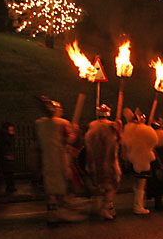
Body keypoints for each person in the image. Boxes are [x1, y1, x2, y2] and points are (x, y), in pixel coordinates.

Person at [34, 96, 85, 224]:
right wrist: (75, 132)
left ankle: (52, 213)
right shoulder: (62, 123)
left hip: (45, 158)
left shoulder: (39, 123)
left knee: (50, 186)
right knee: (64, 183)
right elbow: (68, 140)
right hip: (60, 158)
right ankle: (63, 211)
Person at [84, 104, 121, 220]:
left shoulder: (91, 126)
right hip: (107, 161)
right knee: (111, 186)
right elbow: (116, 142)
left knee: (99, 185)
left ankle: (108, 208)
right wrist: (118, 128)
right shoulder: (111, 126)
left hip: (93, 161)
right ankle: (104, 208)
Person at [121, 108, 158, 215]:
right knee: (141, 184)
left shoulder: (128, 129)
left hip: (132, 158)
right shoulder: (144, 129)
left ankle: (137, 204)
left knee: (137, 183)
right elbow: (154, 140)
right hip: (142, 159)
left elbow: (125, 145)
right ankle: (138, 206)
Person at [0, 122, 17, 194]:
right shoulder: (6, 135)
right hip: (7, 154)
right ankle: (10, 186)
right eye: (11, 129)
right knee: (9, 171)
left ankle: (10, 186)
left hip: (5, 154)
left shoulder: (3, 134)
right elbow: (8, 143)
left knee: (8, 171)